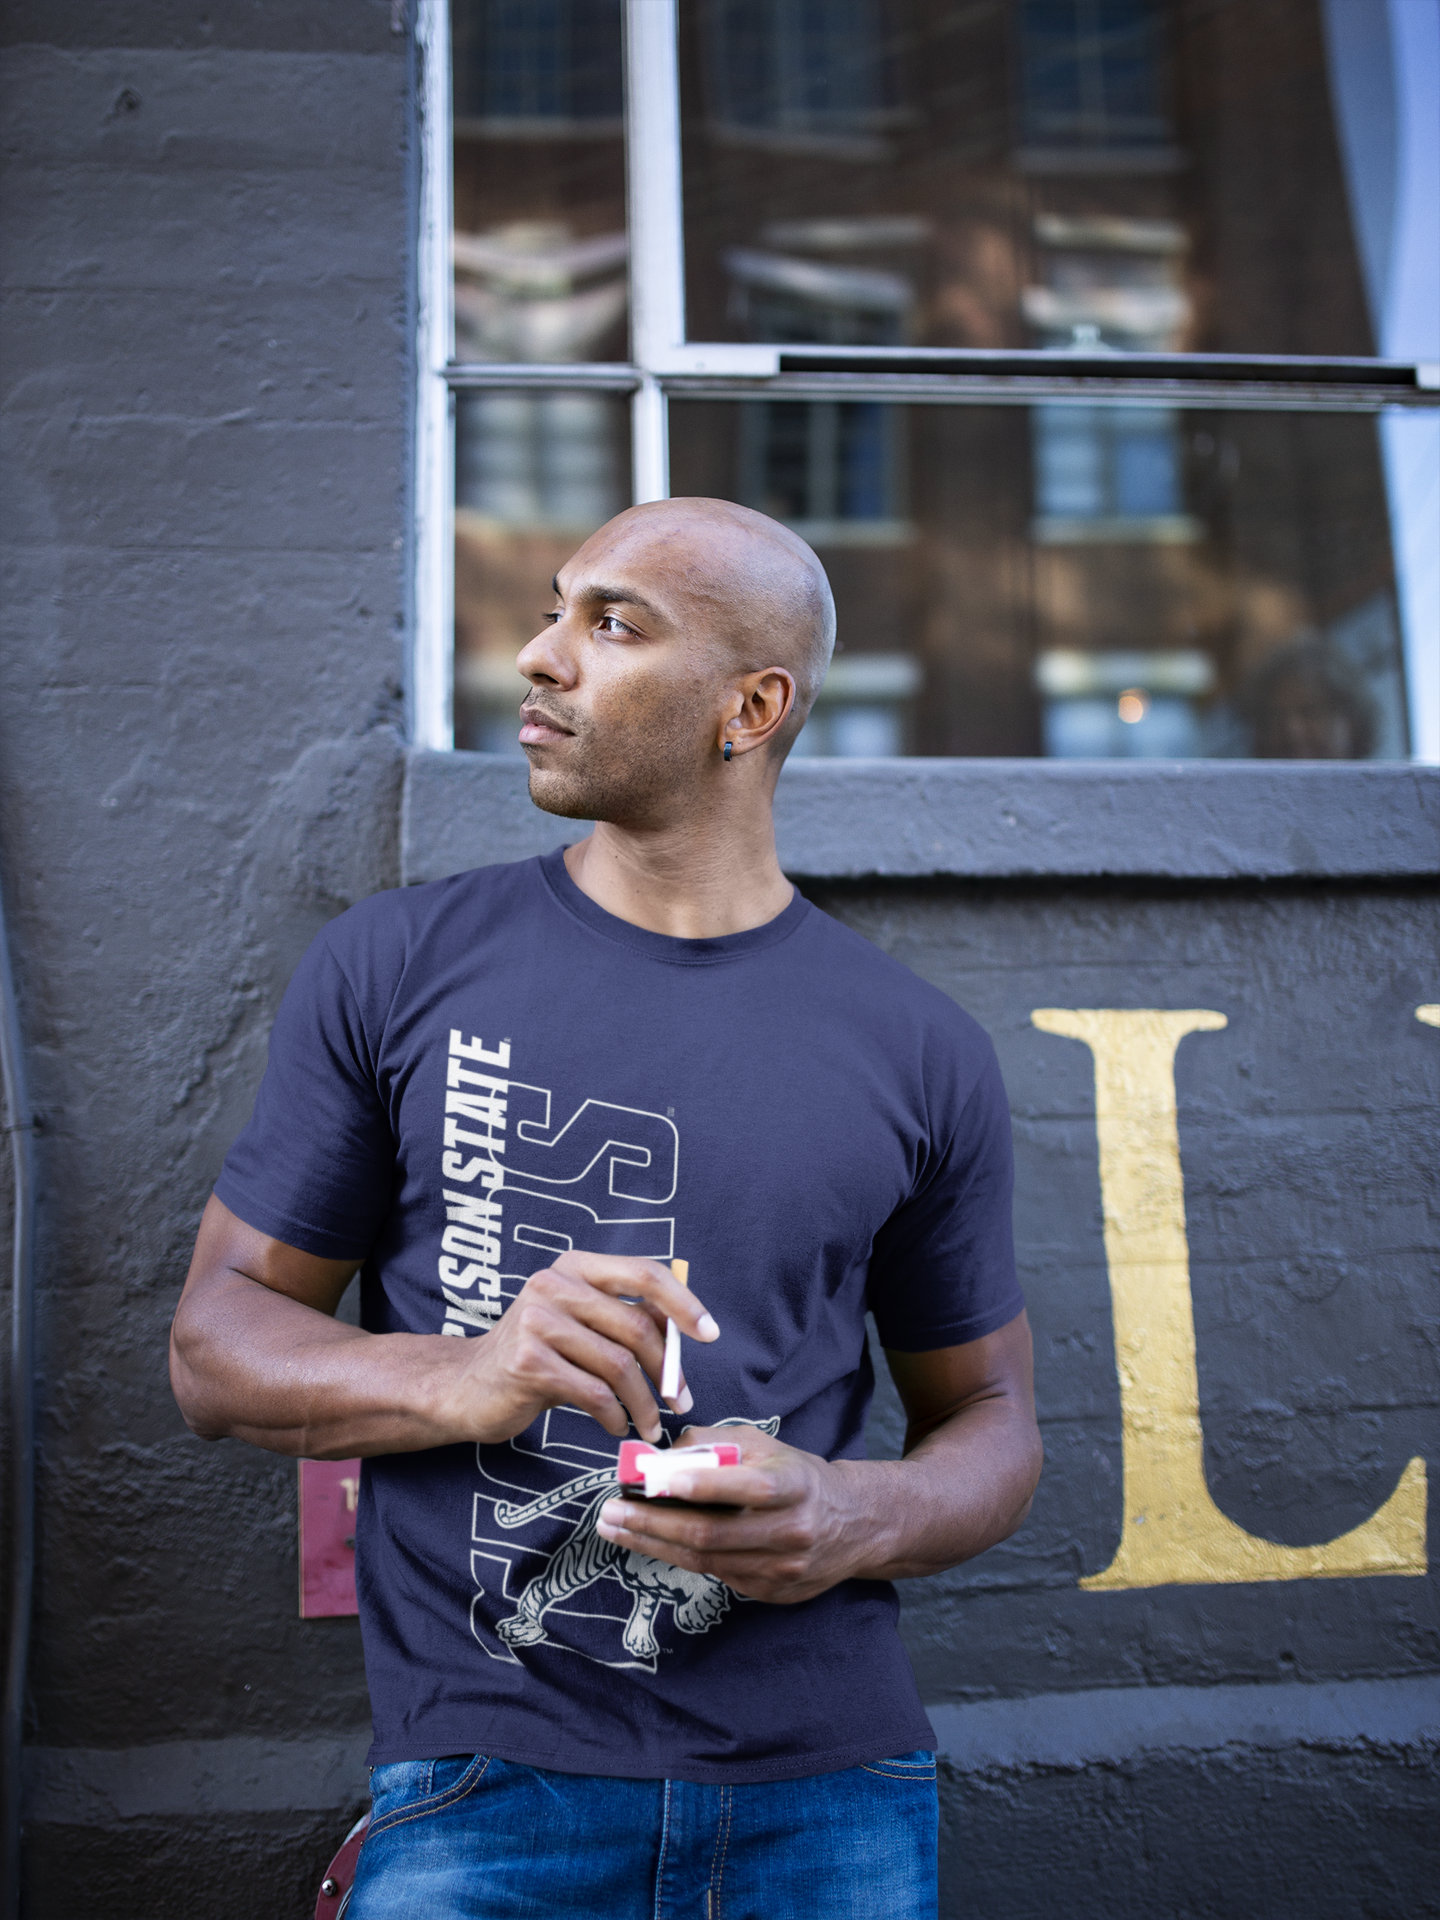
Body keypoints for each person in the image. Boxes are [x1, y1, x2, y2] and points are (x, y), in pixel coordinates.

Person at [170, 497, 1043, 1920]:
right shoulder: (397, 964)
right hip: (481, 1788)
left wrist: (852, 1511)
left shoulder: (920, 1049)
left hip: (831, 1794)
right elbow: (215, 1349)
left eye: (614, 624)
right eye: (554, 611)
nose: (540, 656)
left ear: (749, 708)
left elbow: (994, 1422)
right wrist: (470, 1373)